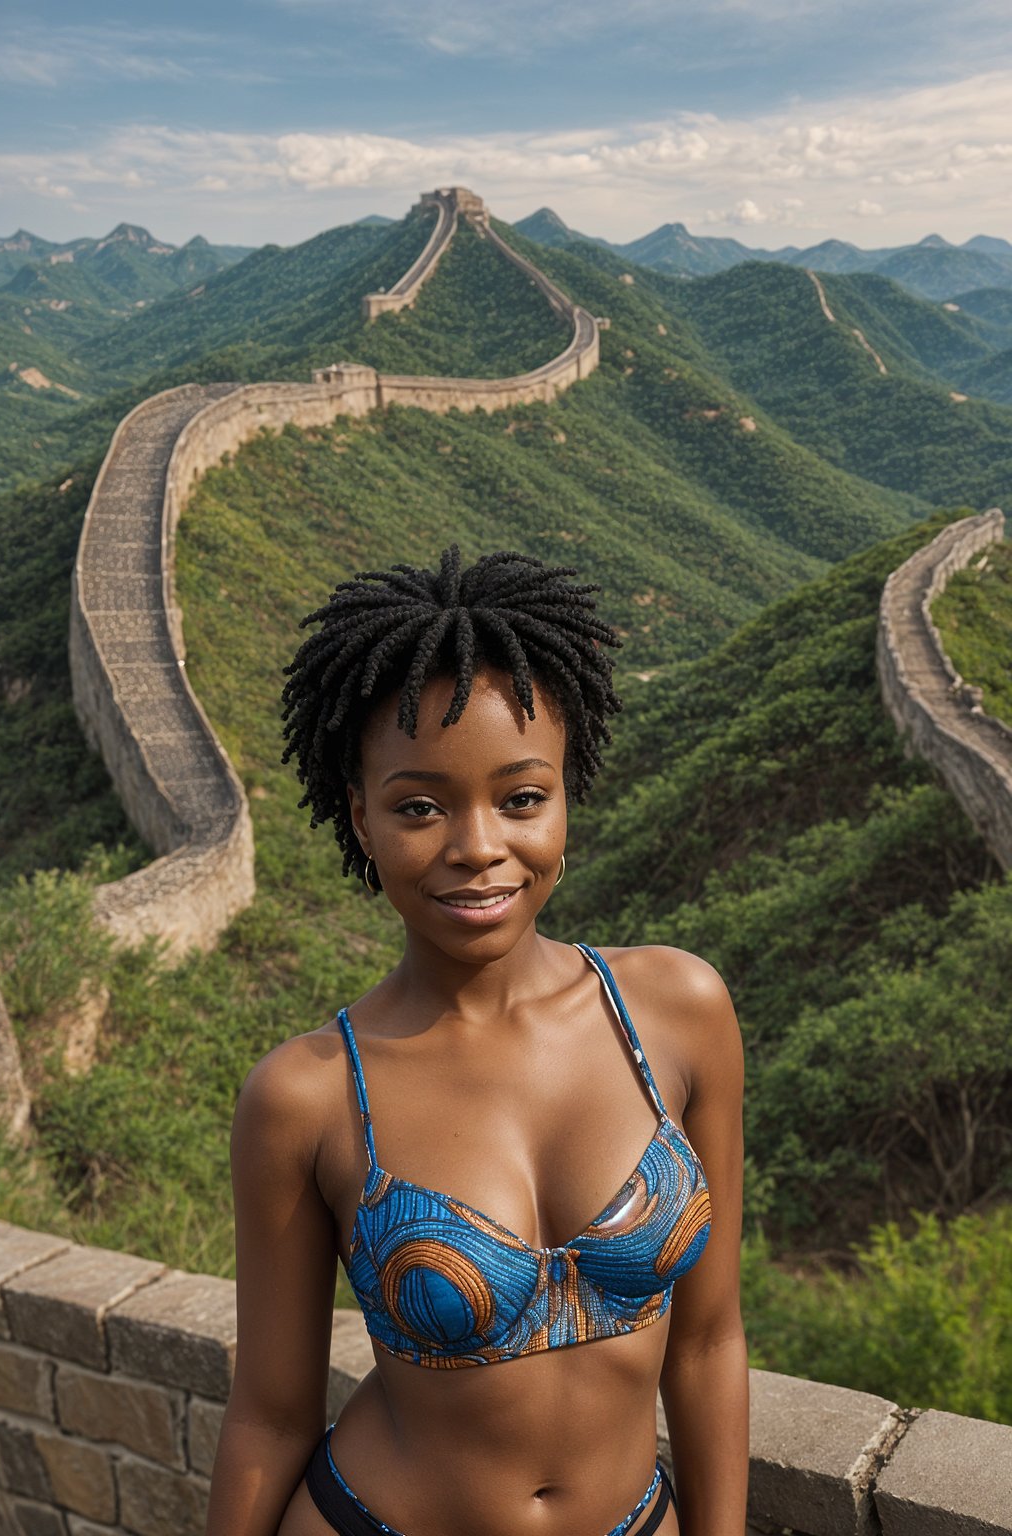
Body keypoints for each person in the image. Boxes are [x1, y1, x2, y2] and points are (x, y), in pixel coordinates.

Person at [204, 546, 749, 1536]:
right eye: (419, 806)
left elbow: (708, 1342)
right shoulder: (310, 1096)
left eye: (520, 797)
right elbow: (271, 1416)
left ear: (567, 797)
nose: (478, 845)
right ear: (359, 818)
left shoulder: (677, 1014)